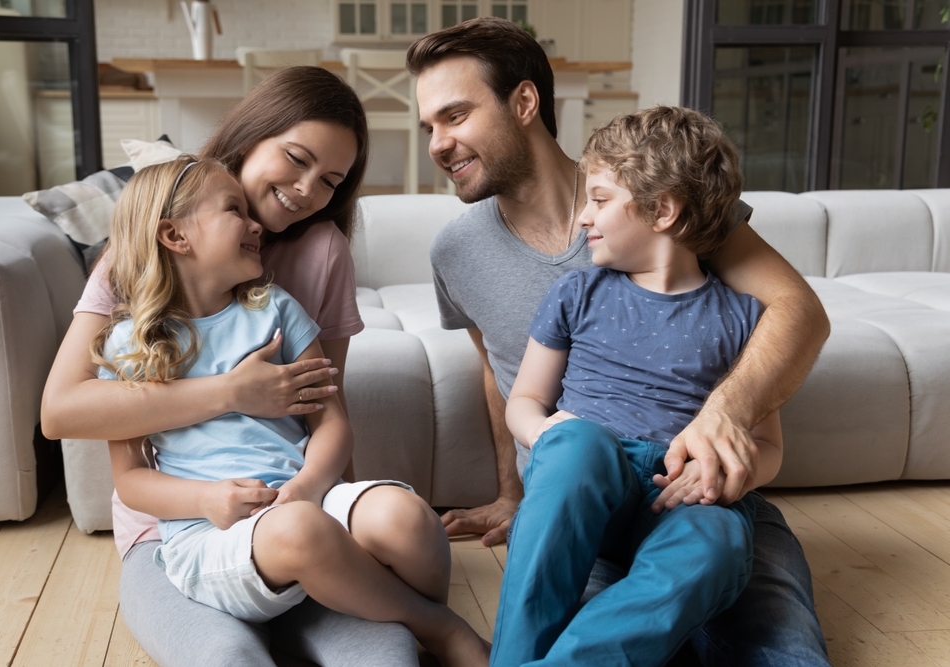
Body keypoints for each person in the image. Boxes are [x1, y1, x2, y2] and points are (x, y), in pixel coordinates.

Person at [408, 17, 831, 665]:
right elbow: (499, 372)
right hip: (580, 505)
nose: (437, 143)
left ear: (523, 102)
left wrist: (726, 417)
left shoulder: (659, 191)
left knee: (780, 650)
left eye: (455, 115)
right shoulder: (456, 251)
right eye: (428, 126)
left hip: (700, 496)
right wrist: (512, 491)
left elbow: (798, 312)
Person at [41, 67, 426, 667]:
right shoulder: (140, 253)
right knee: (228, 658)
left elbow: (327, 413)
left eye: (329, 180)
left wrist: (331, 509)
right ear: (252, 136)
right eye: (295, 158)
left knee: (389, 657)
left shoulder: (321, 253)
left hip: (296, 513)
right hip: (175, 528)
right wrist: (232, 392)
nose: (304, 189)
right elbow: (62, 411)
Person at [94, 155, 489, 667]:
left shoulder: (274, 310)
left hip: (304, 503)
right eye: (234, 209)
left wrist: (304, 488)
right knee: (299, 530)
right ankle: (437, 627)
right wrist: (206, 499)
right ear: (175, 236)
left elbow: (331, 424)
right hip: (210, 534)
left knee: (406, 518)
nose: (256, 223)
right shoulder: (133, 345)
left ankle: (390, 611)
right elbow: (130, 481)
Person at [493, 106, 784, 666]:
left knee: (719, 540)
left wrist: (724, 476)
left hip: (682, 491)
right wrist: (548, 430)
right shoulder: (577, 294)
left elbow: (768, 446)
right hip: (590, 477)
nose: (582, 216)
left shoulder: (745, 318)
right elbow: (526, 399)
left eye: (599, 199)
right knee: (579, 447)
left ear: (663, 210)